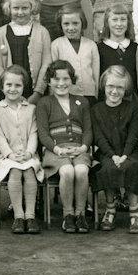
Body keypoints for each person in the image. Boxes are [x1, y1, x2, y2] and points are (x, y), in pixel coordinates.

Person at [91, 66, 138, 234]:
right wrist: (112, 155)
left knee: (131, 167)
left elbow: (133, 136)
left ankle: (135, 212)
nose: (114, 91)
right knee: (107, 167)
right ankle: (110, 209)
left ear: (126, 89)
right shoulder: (96, 110)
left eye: (119, 87)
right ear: (104, 85)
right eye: (111, 86)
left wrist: (124, 155)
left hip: (129, 151)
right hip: (106, 152)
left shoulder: (132, 108)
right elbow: (99, 137)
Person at [36, 60, 92, 233]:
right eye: (56, 79)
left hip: (78, 148)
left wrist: (84, 147)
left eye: (65, 78)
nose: (61, 83)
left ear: (72, 79)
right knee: (67, 171)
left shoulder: (81, 102)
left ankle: (80, 214)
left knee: (81, 171)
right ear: (49, 81)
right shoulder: (44, 103)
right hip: (56, 150)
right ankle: (68, 214)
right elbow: (43, 134)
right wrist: (57, 149)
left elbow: (88, 130)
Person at [0, 65, 44, 234]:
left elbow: (34, 133)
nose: (13, 89)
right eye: (9, 85)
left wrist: (28, 153)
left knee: (29, 172)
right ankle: (18, 216)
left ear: (24, 87)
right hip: (5, 156)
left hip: (28, 154)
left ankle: (30, 216)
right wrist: (10, 154)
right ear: (2, 87)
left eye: (18, 85)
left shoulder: (31, 109)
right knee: (15, 172)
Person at [0, 0, 52, 104]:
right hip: (9, 93)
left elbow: (46, 63)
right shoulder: (1, 33)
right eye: (16, 8)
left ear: (32, 8)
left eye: (24, 8)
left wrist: (38, 92)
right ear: (9, 8)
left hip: (33, 92)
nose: (20, 12)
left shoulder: (42, 32)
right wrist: (7, 90)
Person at [50, 5, 100, 104]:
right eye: (66, 24)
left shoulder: (91, 45)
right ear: (61, 25)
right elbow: (52, 74)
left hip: (89, 95)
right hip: (65, 95)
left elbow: (96, 74)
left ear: (82, 23)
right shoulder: (56, 45)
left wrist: (96, 94)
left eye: (75, 23)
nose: (71, 28)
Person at [96, 4, 137, 90]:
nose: (119, 24)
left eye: (123, 20)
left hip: (132, 100)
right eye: (114, 20)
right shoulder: (98, 49)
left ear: (128, 22)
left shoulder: (135, 48)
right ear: (107, 22)